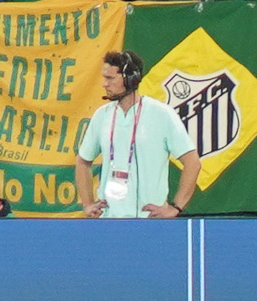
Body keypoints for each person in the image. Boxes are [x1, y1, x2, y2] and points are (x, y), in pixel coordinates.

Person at [72, 43, 195, 218]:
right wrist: (88, 203)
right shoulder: (101, 116)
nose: (104, 84)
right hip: (109, 221)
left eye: (110, 78)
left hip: (149, 222)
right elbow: (83, 161)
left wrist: (176, 207)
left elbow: (192, 162)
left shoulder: (161, 114)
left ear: (131, 79)